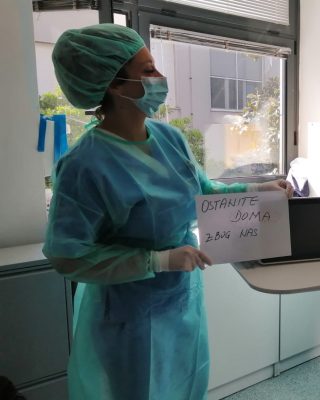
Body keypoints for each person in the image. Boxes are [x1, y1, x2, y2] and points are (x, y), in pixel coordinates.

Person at [43, 24, 293, 400]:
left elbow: (204, 193)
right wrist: (157, 261)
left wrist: (259, 190)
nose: (160, 78)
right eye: (148, 70)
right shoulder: (85, 164)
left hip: (181, 299)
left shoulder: (170, 139)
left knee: (187, 383)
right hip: (127, 314)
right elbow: (68, 256)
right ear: (114, 86)